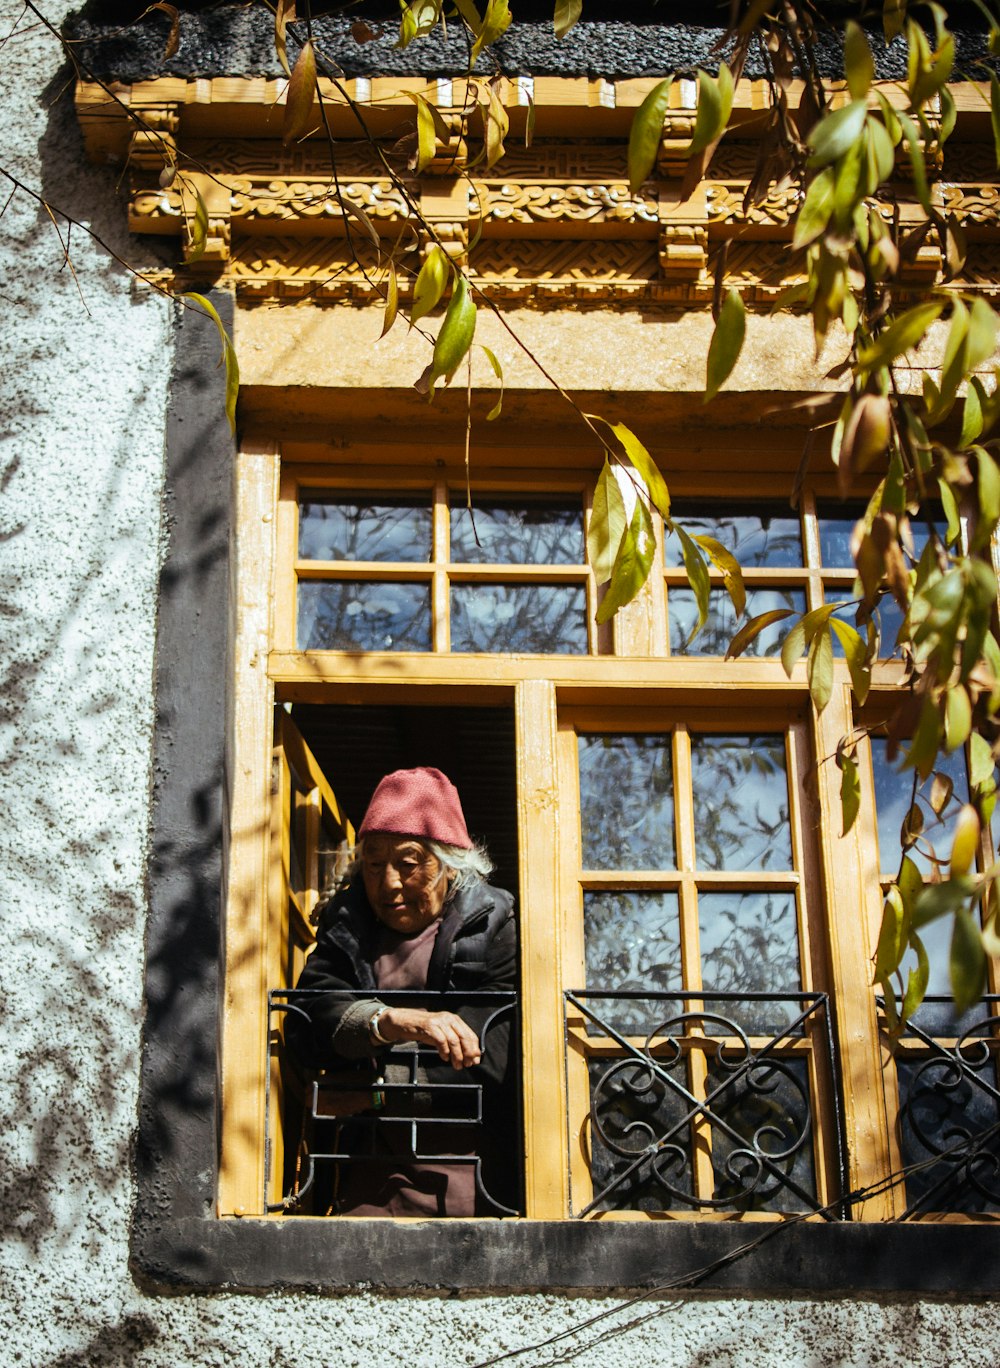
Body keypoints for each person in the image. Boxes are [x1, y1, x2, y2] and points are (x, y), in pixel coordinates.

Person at [285, 766, 518, 1216]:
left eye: (408, 864)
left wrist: (373, 1092)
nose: (388, 883)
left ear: (449, 864)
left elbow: (491, 1056)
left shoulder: (495, 927)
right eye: (374, 865)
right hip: (362, 1171)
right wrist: (390, 1021)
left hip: (471, 1177)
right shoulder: (347, 925)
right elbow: (309, 1021)